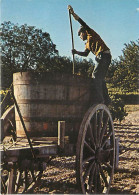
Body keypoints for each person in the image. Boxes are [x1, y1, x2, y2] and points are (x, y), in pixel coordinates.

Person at [68, 5, 112, 105]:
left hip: (103, 55)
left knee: (95, 76)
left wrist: (74, 15)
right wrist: (76, 52)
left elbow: (83, 23)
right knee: (100, 78)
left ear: (83, 32)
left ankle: (100, 100)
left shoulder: (90, 33)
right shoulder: (87, 43)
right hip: (104, 56)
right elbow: (85, 54)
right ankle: (107, 99)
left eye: (80, 35)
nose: (80, 37)